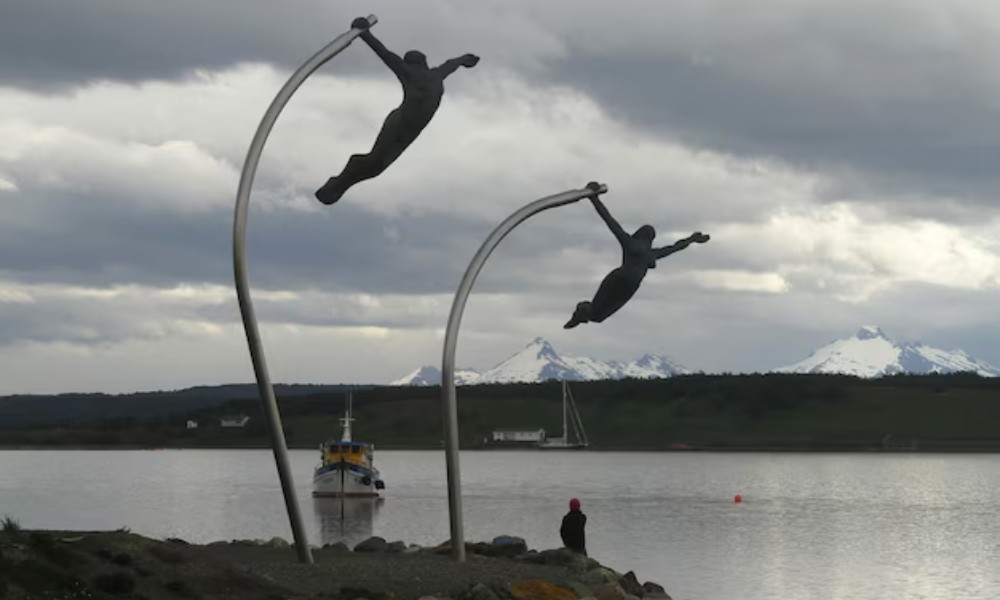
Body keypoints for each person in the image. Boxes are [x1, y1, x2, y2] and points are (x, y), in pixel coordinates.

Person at [315, 18, 481, 205]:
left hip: (410, 127)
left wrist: (465, 60)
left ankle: (340, 182)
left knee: (378, 166)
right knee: (376, 162)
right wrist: (365, 33)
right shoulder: (412, 72)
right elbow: (384, 53)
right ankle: (337, 184)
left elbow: (452, 63)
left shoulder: (436, 75)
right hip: (400, 122)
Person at [564, 183, 710, 328]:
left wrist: (692, 239)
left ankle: (581, 315)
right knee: (598, 313)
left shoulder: (640, 247)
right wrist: (692, 239)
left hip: (623, 281)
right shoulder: (647, 251)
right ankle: (580, 315)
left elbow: (610, 221)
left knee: (598, 314)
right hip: (626, 282)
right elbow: (675, 247)